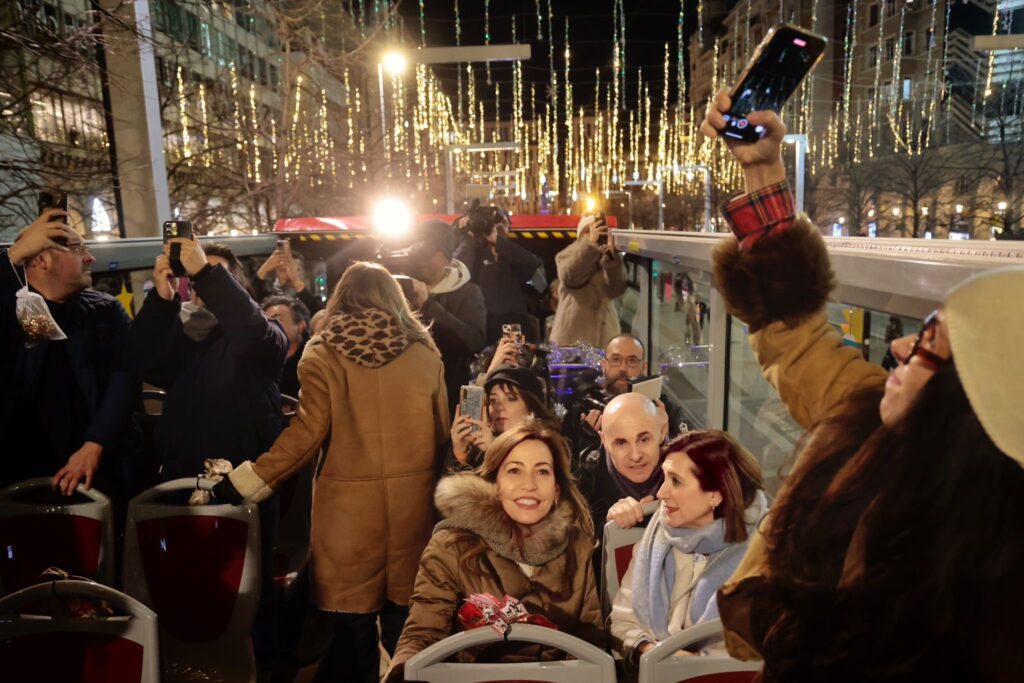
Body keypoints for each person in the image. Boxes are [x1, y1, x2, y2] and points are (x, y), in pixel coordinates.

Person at [701, 89, 1024, 682]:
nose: (899, 347)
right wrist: (762, 169)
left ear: (970, 400)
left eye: (929, 342)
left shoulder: (985, 594)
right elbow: (795, 335)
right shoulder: (869, 416)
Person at [214, 261, 449, 683]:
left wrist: (248, 480)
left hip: (348, 519)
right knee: (408, 628)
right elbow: (441, 433)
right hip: (413, 512)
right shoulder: (424, 354)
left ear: (342, 298)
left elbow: (305, 435)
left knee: (352, 631)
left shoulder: (323, 354)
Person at [385, 423, 603, 680]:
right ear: (495, 484)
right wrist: (401, 673)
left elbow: (591, 641)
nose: (529, 485)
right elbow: (423, 634)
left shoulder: (577, 546)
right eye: (514, 471)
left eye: (542, 472)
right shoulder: (451, 546)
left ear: (556, 489)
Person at [125, 239, 288, 482]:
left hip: (245, 477)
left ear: (235, 284)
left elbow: (253, 331)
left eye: (216, 275)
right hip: (182, 474)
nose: (202, 284)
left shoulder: (265, 330)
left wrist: (204, 273)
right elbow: (143, 362)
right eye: (195, 277)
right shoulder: (177, 330)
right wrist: (161, 301)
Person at [1, 210, 138, 494]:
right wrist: (13, 256)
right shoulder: (9, 312)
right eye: (79, 249)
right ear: (42, 260)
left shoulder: (105, 311)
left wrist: (95, 444)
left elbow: (125, 377)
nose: (90, 258)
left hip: (96, 473)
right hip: (16, 476)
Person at [610, 430, 766, 669]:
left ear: (715, 495)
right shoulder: (653, 541)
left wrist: (691, 669)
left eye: (675, 481)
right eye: (664, 478)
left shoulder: (763, 557)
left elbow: (759, 652)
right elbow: (622, 622)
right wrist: (651, 652)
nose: (661, 493)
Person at [407, 220, 487, 410]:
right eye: (416, 250)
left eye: (428, 251)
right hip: (410, 396)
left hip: (451, 396)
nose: (421, 259)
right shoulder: (401, 290)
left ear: (447, 257)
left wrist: (428, 306)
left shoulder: (467, 292)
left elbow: (474, 342)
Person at [576, 393, 669, 542]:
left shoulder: (690, 473)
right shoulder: (585, 484)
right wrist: (607, 529)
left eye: (644, 439)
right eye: (621, 443)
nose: (635, 456)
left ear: (662, 432)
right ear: (604, 441)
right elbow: (577, 550)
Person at [454, 204, 544, 342]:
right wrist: (467, 236)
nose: (498, 228)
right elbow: (456, 273)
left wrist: (500, 243)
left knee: (513, 355)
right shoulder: (472, 253)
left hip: (512, 328)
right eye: (494, 224)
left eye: (504, 224)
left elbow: (540, 283)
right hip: (482, 327)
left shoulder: (513, 254)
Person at [449, 365, 559, 471]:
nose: (499, 407)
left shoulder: (547, 448)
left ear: (531, 408)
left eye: (511, 399)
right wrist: (460, 455)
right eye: (493, 400)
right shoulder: (478, 449)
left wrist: (494, 451)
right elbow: (458, 484)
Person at [549, 212, 627, 347]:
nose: (594, 233)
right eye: (588, 231)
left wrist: (611, 261)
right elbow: (570, 277)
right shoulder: (566, 255)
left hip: (605, 337)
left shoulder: (606, 257)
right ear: (580, 236)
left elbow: (616, 290)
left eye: (598, 230)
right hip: (572, 338)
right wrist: (590, 246)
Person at [261, 295, 311, 398]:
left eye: (277, 320)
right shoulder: (260, 362)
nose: (268, 327)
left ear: (300, 326)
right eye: (266, 321)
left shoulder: (313, 362)